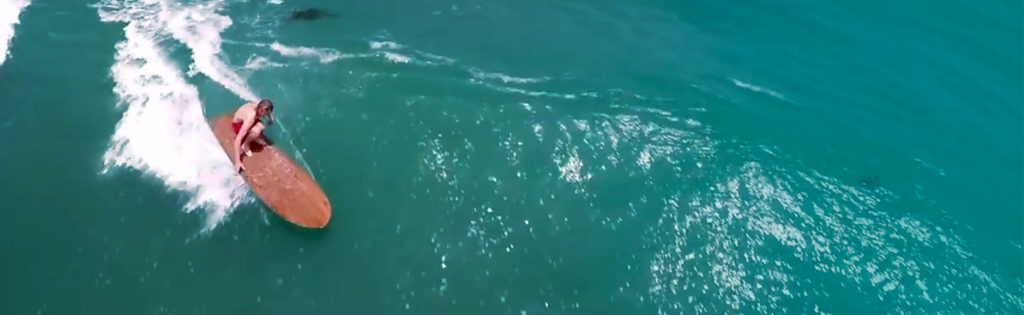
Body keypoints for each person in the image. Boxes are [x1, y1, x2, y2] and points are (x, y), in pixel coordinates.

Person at [232, 99, 274, 173]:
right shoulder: (251, 117)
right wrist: (237, 161)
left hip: (245, 119)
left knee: (261, 127)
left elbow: (267, 109)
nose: (266, 115)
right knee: (257, 130)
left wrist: (270, 118)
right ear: (261, 110)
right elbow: (238, 138)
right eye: (266, 113)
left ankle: (251, 138)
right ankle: (245, 145)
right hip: (238, 125)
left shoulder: (258, 106)